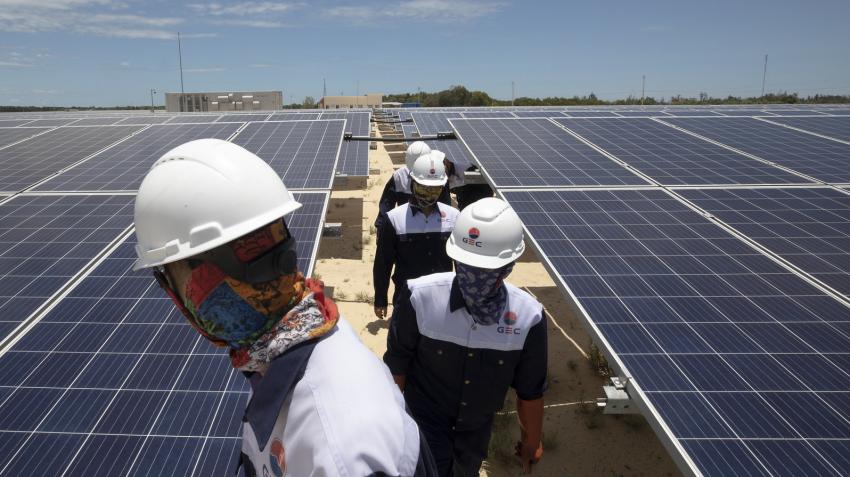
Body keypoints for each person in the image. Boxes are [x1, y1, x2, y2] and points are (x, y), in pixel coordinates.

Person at [133, 138, 436, 476]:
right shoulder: (285, 353)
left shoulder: (341, 449)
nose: (175, 297)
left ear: (212, 275)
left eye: (172, 276)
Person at [384, 197, 547, 476]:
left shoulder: (528, 318)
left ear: (508, 267)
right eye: (467, 266)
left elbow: (529, 393)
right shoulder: (420, 299)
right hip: (423, 429)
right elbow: (397, 368)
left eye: (485, 270)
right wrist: (390, 428)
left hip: (473, 437)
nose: (474, 277)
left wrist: (531, 442)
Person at [373, 152, 460, 319]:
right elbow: (383, 263)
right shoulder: (393, 219)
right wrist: (380, 299)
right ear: (412, 183)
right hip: (406, 301)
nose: (429, 193)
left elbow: (461, 264)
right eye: (424, 187)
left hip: (442, 301)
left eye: (434, 188)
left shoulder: (453, 217)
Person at [375, 141, 450, 230]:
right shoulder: (399, 177)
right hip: (405, 226)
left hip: (433, 226)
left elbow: (446, 206)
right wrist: (381, 227)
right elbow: (386, 204)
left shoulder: (438, 177)